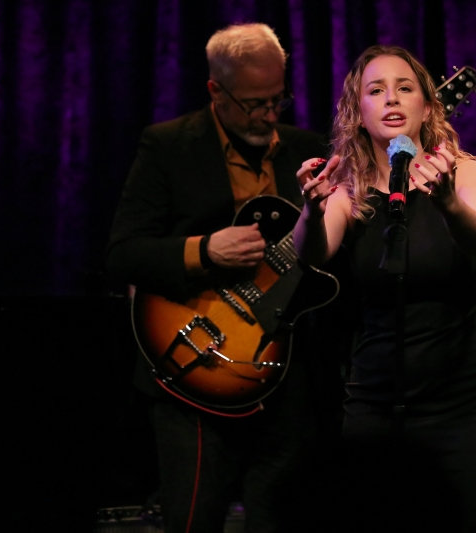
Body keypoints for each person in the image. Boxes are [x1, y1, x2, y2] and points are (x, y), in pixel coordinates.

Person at [106, 23, 330, 533]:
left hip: (286, 371)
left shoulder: (306, 150)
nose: (270, 114)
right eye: (254, 103)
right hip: (196, 363)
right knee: (195, 519)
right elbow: (123, 254)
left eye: (278, 99)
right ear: (215, 90)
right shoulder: (167, 146)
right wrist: (204, 249)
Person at [292, 45, 476, 532]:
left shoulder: (469, 173)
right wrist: (309, 208)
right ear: (359, 113)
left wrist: (449, 203)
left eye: (404, 88)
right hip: (376, 401)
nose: (391, 98)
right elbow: (314, 253)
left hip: (463, 402)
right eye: (376, 90)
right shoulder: (348, 187)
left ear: (428, 106)